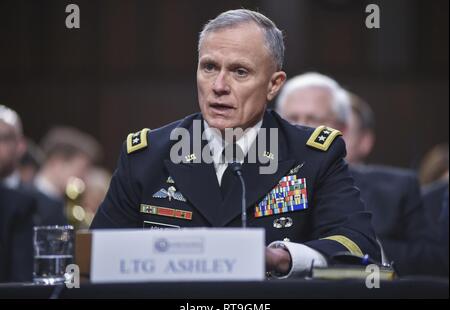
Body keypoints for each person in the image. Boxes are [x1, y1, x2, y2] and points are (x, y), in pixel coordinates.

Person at [91, 9, 380, 277]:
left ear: (274, 84)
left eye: (239, 71)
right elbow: (95, 256)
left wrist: (283, 257)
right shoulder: (147, 155)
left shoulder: (314, 156)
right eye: (209, 67)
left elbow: (357, 244)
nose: (218, 86)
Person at [276, 74, 441, 276]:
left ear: (342, 130)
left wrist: (358, 238)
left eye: (313, 119)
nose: (300, 127)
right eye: (291, 118)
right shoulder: (254, 182)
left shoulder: (396, 189)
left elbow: (434, 262)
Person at [33, 126, 101, 226]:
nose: (85, 178)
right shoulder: (27, 202)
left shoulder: (65, 205)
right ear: (57, 163)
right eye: (81, 169)